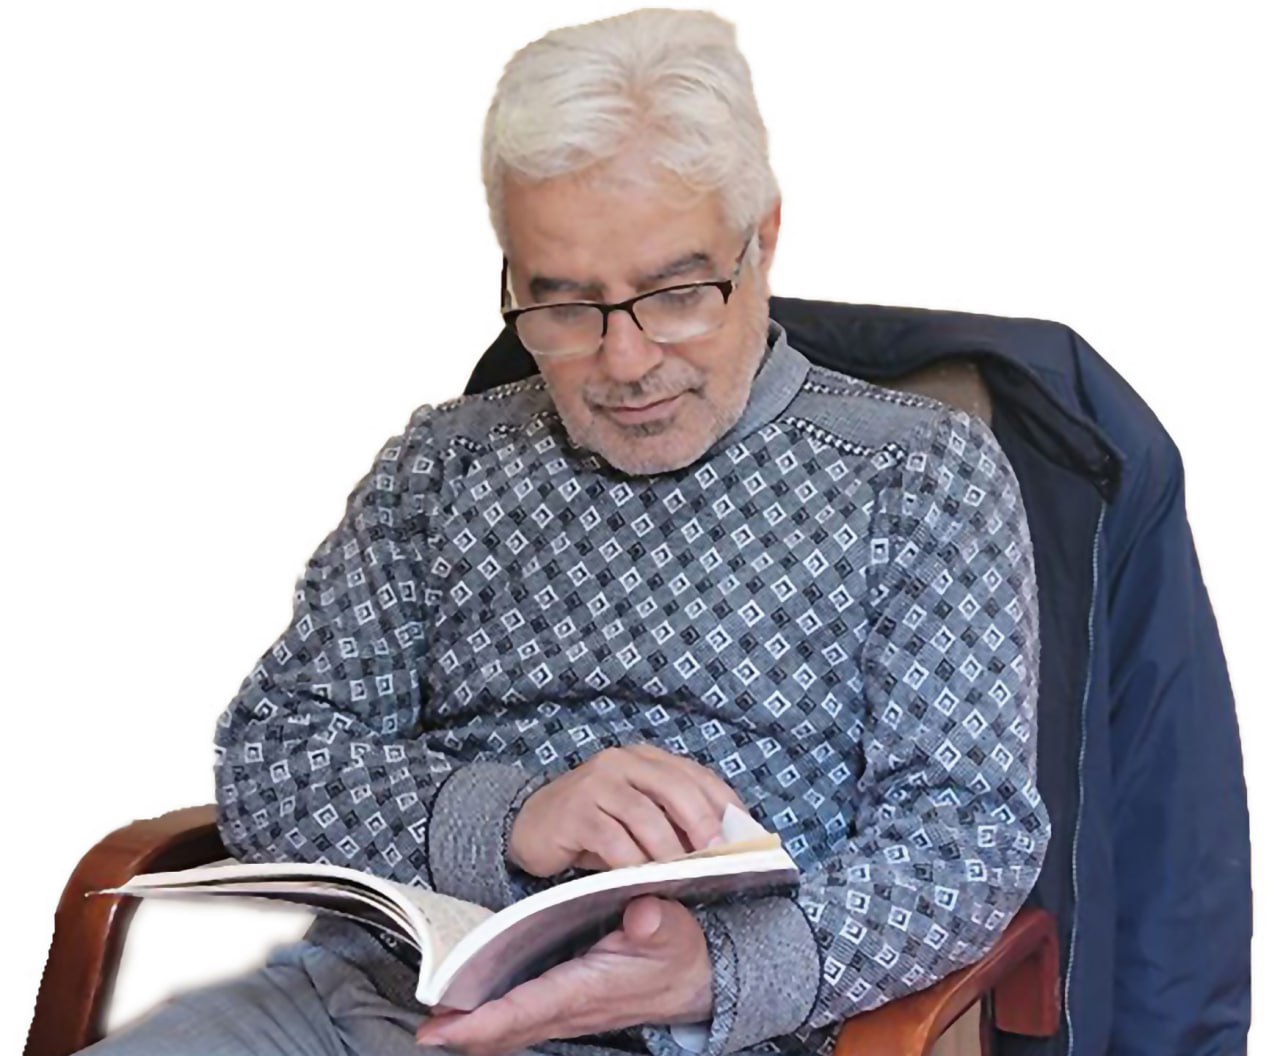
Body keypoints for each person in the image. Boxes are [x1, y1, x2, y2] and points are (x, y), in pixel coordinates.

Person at [79, 9, 1049, 1055]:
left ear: (762, 237)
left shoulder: (916, 475)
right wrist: (510, 818)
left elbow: (967, 839)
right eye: (565, 306)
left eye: (676, 294)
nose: (625, 362)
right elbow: (272, 758)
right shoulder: (443, 464)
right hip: (359, 1011)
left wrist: (718, 970)